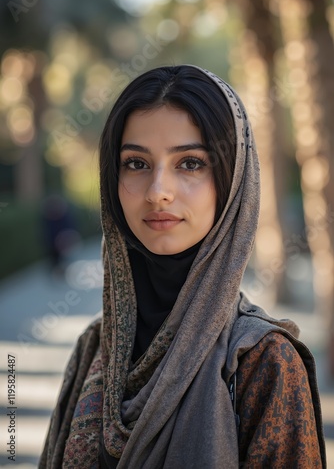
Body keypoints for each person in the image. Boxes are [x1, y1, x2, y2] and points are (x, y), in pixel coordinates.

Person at [39, 65, 326, 468]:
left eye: (190, 163)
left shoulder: (263, 364)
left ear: (231, 180)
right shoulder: (95, 349)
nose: (158, 192)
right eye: (136, 164)